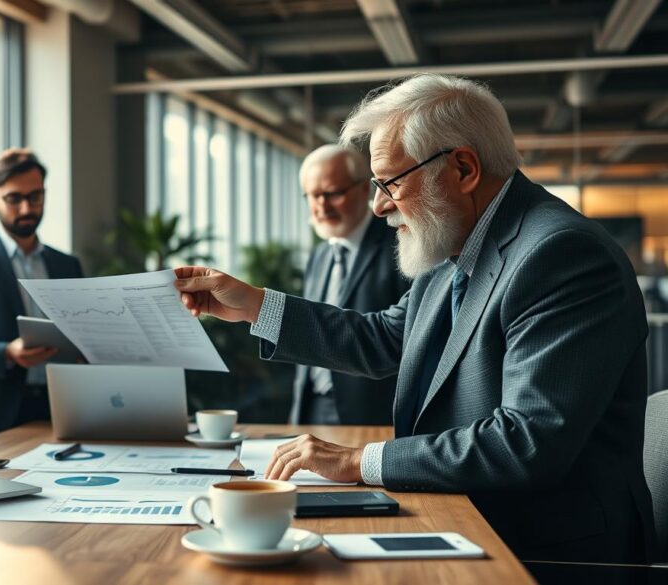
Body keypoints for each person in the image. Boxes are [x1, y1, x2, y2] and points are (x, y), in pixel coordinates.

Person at [174, 74, 656, 564]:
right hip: (466, 519)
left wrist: (356, 460)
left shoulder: (561, 255)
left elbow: (527, 441)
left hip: (544, 552)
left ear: (463, 167)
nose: (379, 204)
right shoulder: (455, 243)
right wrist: (255, 306)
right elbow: (385, 339)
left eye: (391, 182)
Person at [0, 148, 83, 441]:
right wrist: (7, 352)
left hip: (63, 407)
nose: (26, 209)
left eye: (35, 197)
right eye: (14, 199)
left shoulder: (67, 264)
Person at [292, 145, 408, 425]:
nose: (321, 205)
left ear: (364, 190)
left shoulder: (402, 245)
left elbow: (403, 339)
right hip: (312, 408)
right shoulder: (319, 255)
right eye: (312, 195)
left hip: (373, 417)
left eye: (332, 193)